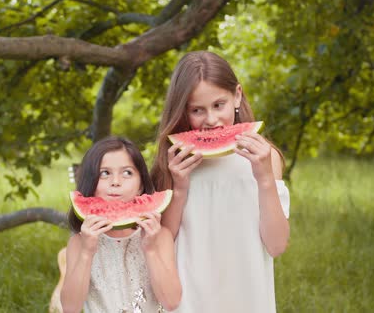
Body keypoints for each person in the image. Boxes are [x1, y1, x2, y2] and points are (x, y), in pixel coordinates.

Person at [150, 51, 291, 312]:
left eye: (219, 105)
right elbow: (163, 241)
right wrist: (179, 187)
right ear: (182, 111)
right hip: (188, 299)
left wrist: (265, 180)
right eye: (197, 110)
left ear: (237, 95)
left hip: (247, 296)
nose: (212, 120)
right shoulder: (175, 161)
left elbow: (277, 245)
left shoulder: (265, 157)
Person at [60, 136, 182, 313]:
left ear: (141, 185)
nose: (116, 181)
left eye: (127, 173)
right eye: (105, 173)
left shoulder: (160, 236)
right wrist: (86, 252)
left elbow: (172, 302)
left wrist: (151, 249)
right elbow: (70, 308)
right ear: (90, 182)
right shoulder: (79, 243)